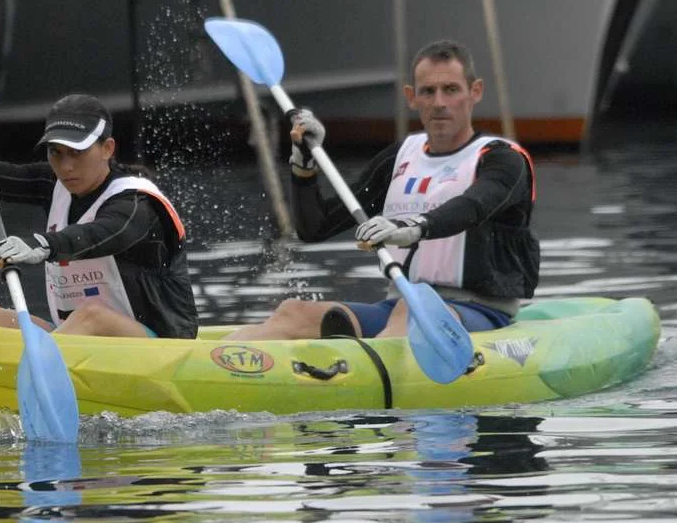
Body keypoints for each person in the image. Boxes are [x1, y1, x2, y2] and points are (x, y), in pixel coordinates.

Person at [226, 39, 539, 340]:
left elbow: (474, 206)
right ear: (411, 97)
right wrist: (304, 161)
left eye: (451, 90)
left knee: (410, 313)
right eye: (427, 91)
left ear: (475, 92)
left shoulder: (503, 160)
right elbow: (315, 228)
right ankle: (208, 362)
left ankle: (358, 374)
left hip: (480, 311)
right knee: (292, 312)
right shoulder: (400, 157)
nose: (439, 102)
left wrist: (413, 227)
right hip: (398, 305)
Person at [0, 71, 198, 338]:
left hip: (159, 348)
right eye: (56, 153)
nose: (66, 167)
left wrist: (42, 245)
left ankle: (48, 366)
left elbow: (100, 234)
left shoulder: (138, 202)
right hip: (76, 338)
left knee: (91, 315)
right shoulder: (52, 183)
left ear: (108, 149)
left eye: (77, 153)